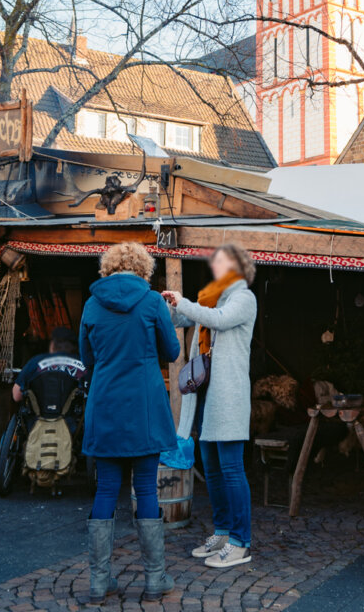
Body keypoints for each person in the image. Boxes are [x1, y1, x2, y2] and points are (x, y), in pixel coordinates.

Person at [78, 242, 181, 604]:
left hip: (105, 404)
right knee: (147, 489)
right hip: (145, 407)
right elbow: (171, 352)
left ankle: (98, 581)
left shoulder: (92, 303)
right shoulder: (153, 302)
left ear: (108, 268)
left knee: (105, 489)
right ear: (143, 269)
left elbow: (85, 357)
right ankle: (155, 580)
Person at [162, 243, 258, 571]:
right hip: (206, 396)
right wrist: (172, 305)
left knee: (231, 469)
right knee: (214, 470)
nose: (217, 267)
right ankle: (221, 532)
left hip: (228, 397)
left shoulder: (243, 298)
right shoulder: (209, 297)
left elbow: (217, 320)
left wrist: (185, 303)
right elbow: (185, 317)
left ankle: (241, 542)